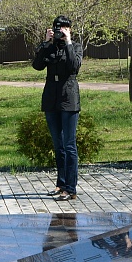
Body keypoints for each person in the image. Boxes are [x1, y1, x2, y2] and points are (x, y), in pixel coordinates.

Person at [32, 15, 83, 202]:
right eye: (57, 29)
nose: (59, 32)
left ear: (69, 29)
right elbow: (37, 66)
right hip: (51, 99)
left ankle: (71, 188)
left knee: (69, 145)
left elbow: (74, 66)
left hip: (69, 99)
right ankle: (61, 184)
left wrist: (68, 42)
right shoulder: (50, 47)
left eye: (63, 29)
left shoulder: (75, 46)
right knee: (58, 145)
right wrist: (45, 43)